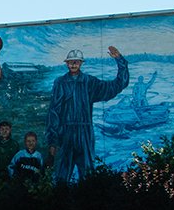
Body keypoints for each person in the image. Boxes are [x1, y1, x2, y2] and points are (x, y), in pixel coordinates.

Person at [45, 46, 128, 184]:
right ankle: (60, 202)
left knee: (88, 176)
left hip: (85, 133)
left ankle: (88, 203)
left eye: (76, 62)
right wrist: (53, 141)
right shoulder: (60, 83)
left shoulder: (89, 82)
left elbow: (115, 86)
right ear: (66, 63)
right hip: (66, 134)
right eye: (71, 62)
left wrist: (120, 61)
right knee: (62, 176)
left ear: (81, 63)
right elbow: (54, 111)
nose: (73, 64)